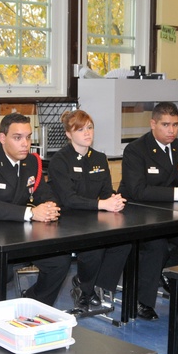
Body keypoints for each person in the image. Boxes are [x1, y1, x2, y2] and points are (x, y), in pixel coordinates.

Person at [0, 113, 72, 321]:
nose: (25, 144)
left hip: (16, 232)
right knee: (2, 267)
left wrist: (50, 206)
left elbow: (45, 192)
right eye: (18, 137)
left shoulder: (32, 163)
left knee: (59, 259)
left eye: (28, 137)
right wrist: (32, 213)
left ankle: (32, 305)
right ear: (2, 138)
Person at [120, 101, 178, 321]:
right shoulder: (135, 150)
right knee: (156, 246)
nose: (171, 130)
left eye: (175, 125)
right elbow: (138, 191)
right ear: (153, 124)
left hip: (171, 213)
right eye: (166, 125)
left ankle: (166, 273)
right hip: (138, 213)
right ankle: (143, 301)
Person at [48, 109, 129, 315]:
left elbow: (106, 191)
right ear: (68, 134)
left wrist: (114, 200)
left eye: (90, 128)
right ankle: (85, 290)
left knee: (124, 241)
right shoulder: (60, 160)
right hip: (69, 218)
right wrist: (103, 204)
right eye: (81, 129)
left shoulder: (99, 158)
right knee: (94, 244)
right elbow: (68, 199)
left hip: (96, 215)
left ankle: (96, 286)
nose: (87, 133)